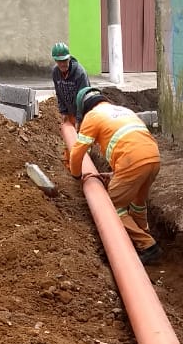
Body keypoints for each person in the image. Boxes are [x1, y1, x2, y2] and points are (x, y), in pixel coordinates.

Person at [68, 86, 161, 266]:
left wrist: (76, 175)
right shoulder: (122, 110)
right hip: (153, 157)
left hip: (132, 161)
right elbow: (130, 143)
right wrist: (114, 174)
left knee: (111, 207)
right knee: (138, 202)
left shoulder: (92, 116)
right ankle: (143, 231)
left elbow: (77, 152)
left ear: (84, 107)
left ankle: (148, 246)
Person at [51, 42, 89, 125]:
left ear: (69, 58)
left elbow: (84, 97)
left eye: (64, 60)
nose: (62, 64)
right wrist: (64, 112)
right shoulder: (55, 73)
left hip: (84, 114)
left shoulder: (80, 73)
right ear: (55, 60)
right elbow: (59, 94)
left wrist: (79, 118)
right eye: (59, 61)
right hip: (70, 112)